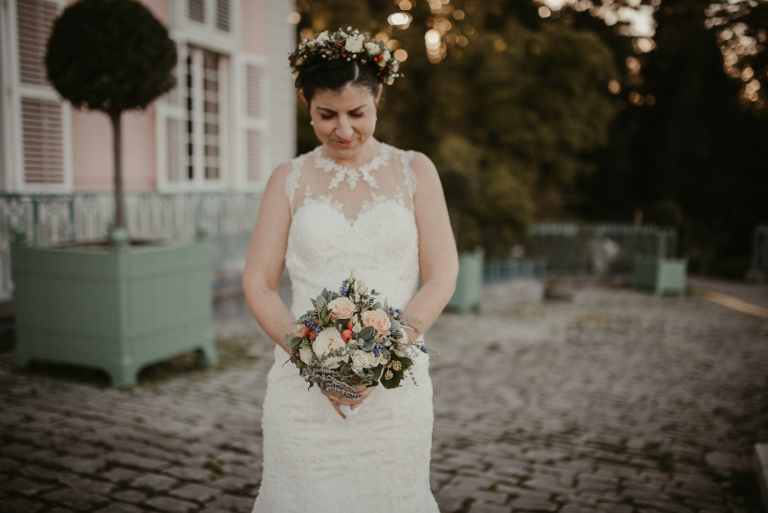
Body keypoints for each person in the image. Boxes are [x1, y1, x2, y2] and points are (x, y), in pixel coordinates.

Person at [243, 28, 458, 513]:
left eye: (356, 113)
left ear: (378, 98)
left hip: (394, 390)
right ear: (305, 102)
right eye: (326, 115)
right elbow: (257, 282)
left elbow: (442, 274)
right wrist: (316, 362)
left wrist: (382, 358)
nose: (343, 129)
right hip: (302, 386)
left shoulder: (415, 171)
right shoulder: (288, 179)